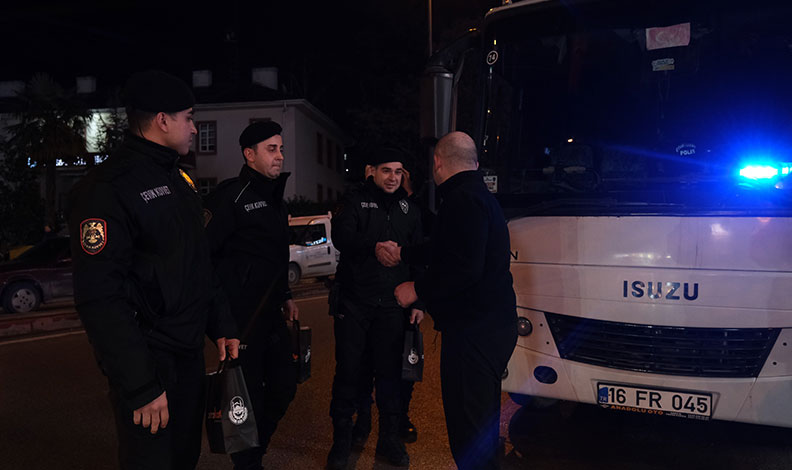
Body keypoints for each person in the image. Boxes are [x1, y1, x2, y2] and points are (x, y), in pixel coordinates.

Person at [68, 70, 239, 470]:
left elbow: (198, 263)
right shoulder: (107, 188)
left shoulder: (179, 180)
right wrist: (141, 384)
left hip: (187, 354)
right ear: (163, 120)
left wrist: (222, 324)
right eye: (189, 118)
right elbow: (99, 297)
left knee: (184, 458)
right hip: (150, 360)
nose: (194, 128)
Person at [393, 131, 518, 470]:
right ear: (474, 162)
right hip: (489, 329)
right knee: (480, 424)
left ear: (438, 162)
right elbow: (446, 249)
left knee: (469, 431)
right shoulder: (477, 196)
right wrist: (404, 252)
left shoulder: (462, 200)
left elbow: (463, 268)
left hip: (474, 333)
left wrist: (417, 289)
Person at [204, 120, 298, 470]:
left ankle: (254, 454)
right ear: (249, 154)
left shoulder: (276, 201)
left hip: (271, 316)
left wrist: (286, 294)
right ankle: (247, 463)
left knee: (284, 387)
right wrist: (220, 323)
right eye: (271, 149)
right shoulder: (229, 198)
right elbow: (203, 261)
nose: (280, 156)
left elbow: (273, 258)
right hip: (240, 322)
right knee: (246, 399)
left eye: (281, 149)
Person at [327, 148, 425, 470]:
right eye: (386, 170)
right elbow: (341, 236)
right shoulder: (354, 199)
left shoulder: (409, 208)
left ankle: (388, 440)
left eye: (398, 171)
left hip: (393, 307)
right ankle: (342, 442)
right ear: (372, 170)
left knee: (391, 376)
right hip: (354, 303)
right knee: (349, 373)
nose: (393, 178)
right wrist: (373, 247)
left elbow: (418, 256)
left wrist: (419, 302)